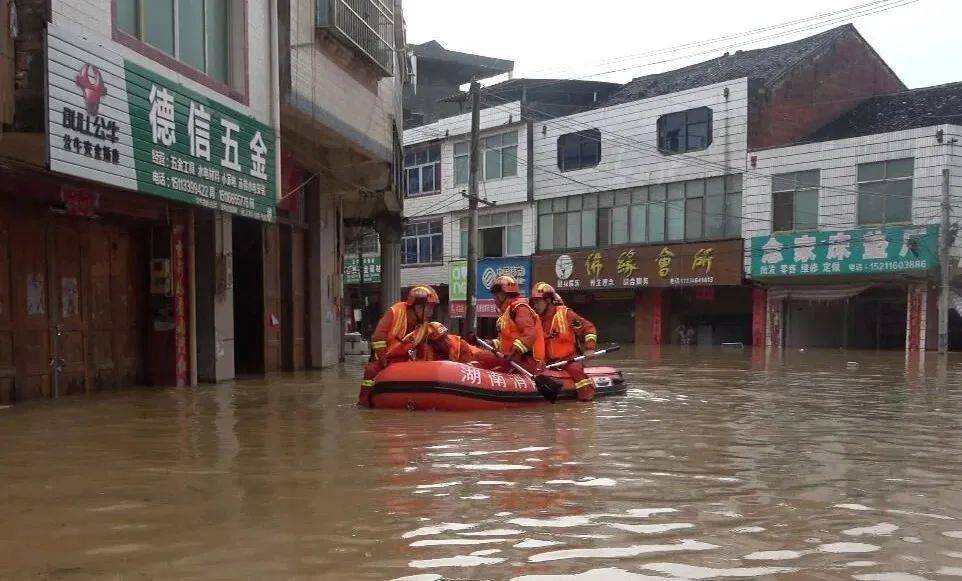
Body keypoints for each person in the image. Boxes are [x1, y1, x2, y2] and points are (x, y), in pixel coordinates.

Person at [359, 285, 439, 405]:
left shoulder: (423, 327)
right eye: (428, 308)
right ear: (417, 306)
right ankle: (365, 403)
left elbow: (422, 350)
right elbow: (378, 337)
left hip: (403, 363)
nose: (430, 312)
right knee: (371, 370)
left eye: (432, 309)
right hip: (384, 361)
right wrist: (384, 364)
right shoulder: (395, 312)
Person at [529, 282, 598, 402]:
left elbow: (588, 328)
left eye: (538, 302)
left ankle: (586, 400)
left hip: (568, 359)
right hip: (547, 362)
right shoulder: (537, 320)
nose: (535, 305)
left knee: (576, 370)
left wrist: (590, 348)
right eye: (534, 302)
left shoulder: (566, 314)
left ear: (548, 300)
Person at [475, 274, 545, 373]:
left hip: (526, 362)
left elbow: (530, 335)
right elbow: (506, 341)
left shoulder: (520, 309)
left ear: (503, 295)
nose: (494, 299)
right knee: (481, 354)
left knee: (480, 356)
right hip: (513, 360)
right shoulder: (506, 313)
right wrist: (492, 343)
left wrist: (514, 352)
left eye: (496, 295)